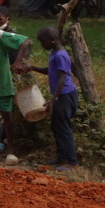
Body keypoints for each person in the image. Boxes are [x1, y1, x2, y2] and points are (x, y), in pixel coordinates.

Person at [0, 7, 31, 166]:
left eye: (0, 20)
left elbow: (25, 40)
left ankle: (11, 150)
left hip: (3, 83)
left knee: (7, 117)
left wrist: (17, 61)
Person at [26, 27, 78, 170]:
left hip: (64, 96)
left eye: (43, 42)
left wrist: (53, 99)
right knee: (57, 127)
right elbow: (51, 71)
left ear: (53, 40)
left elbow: (62, 78)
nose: (42, 45)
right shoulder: (55, 53)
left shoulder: (60, 55)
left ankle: (71, 161)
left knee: (63, 128)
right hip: (61, 95)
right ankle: (61, 158)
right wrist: (33, 68)